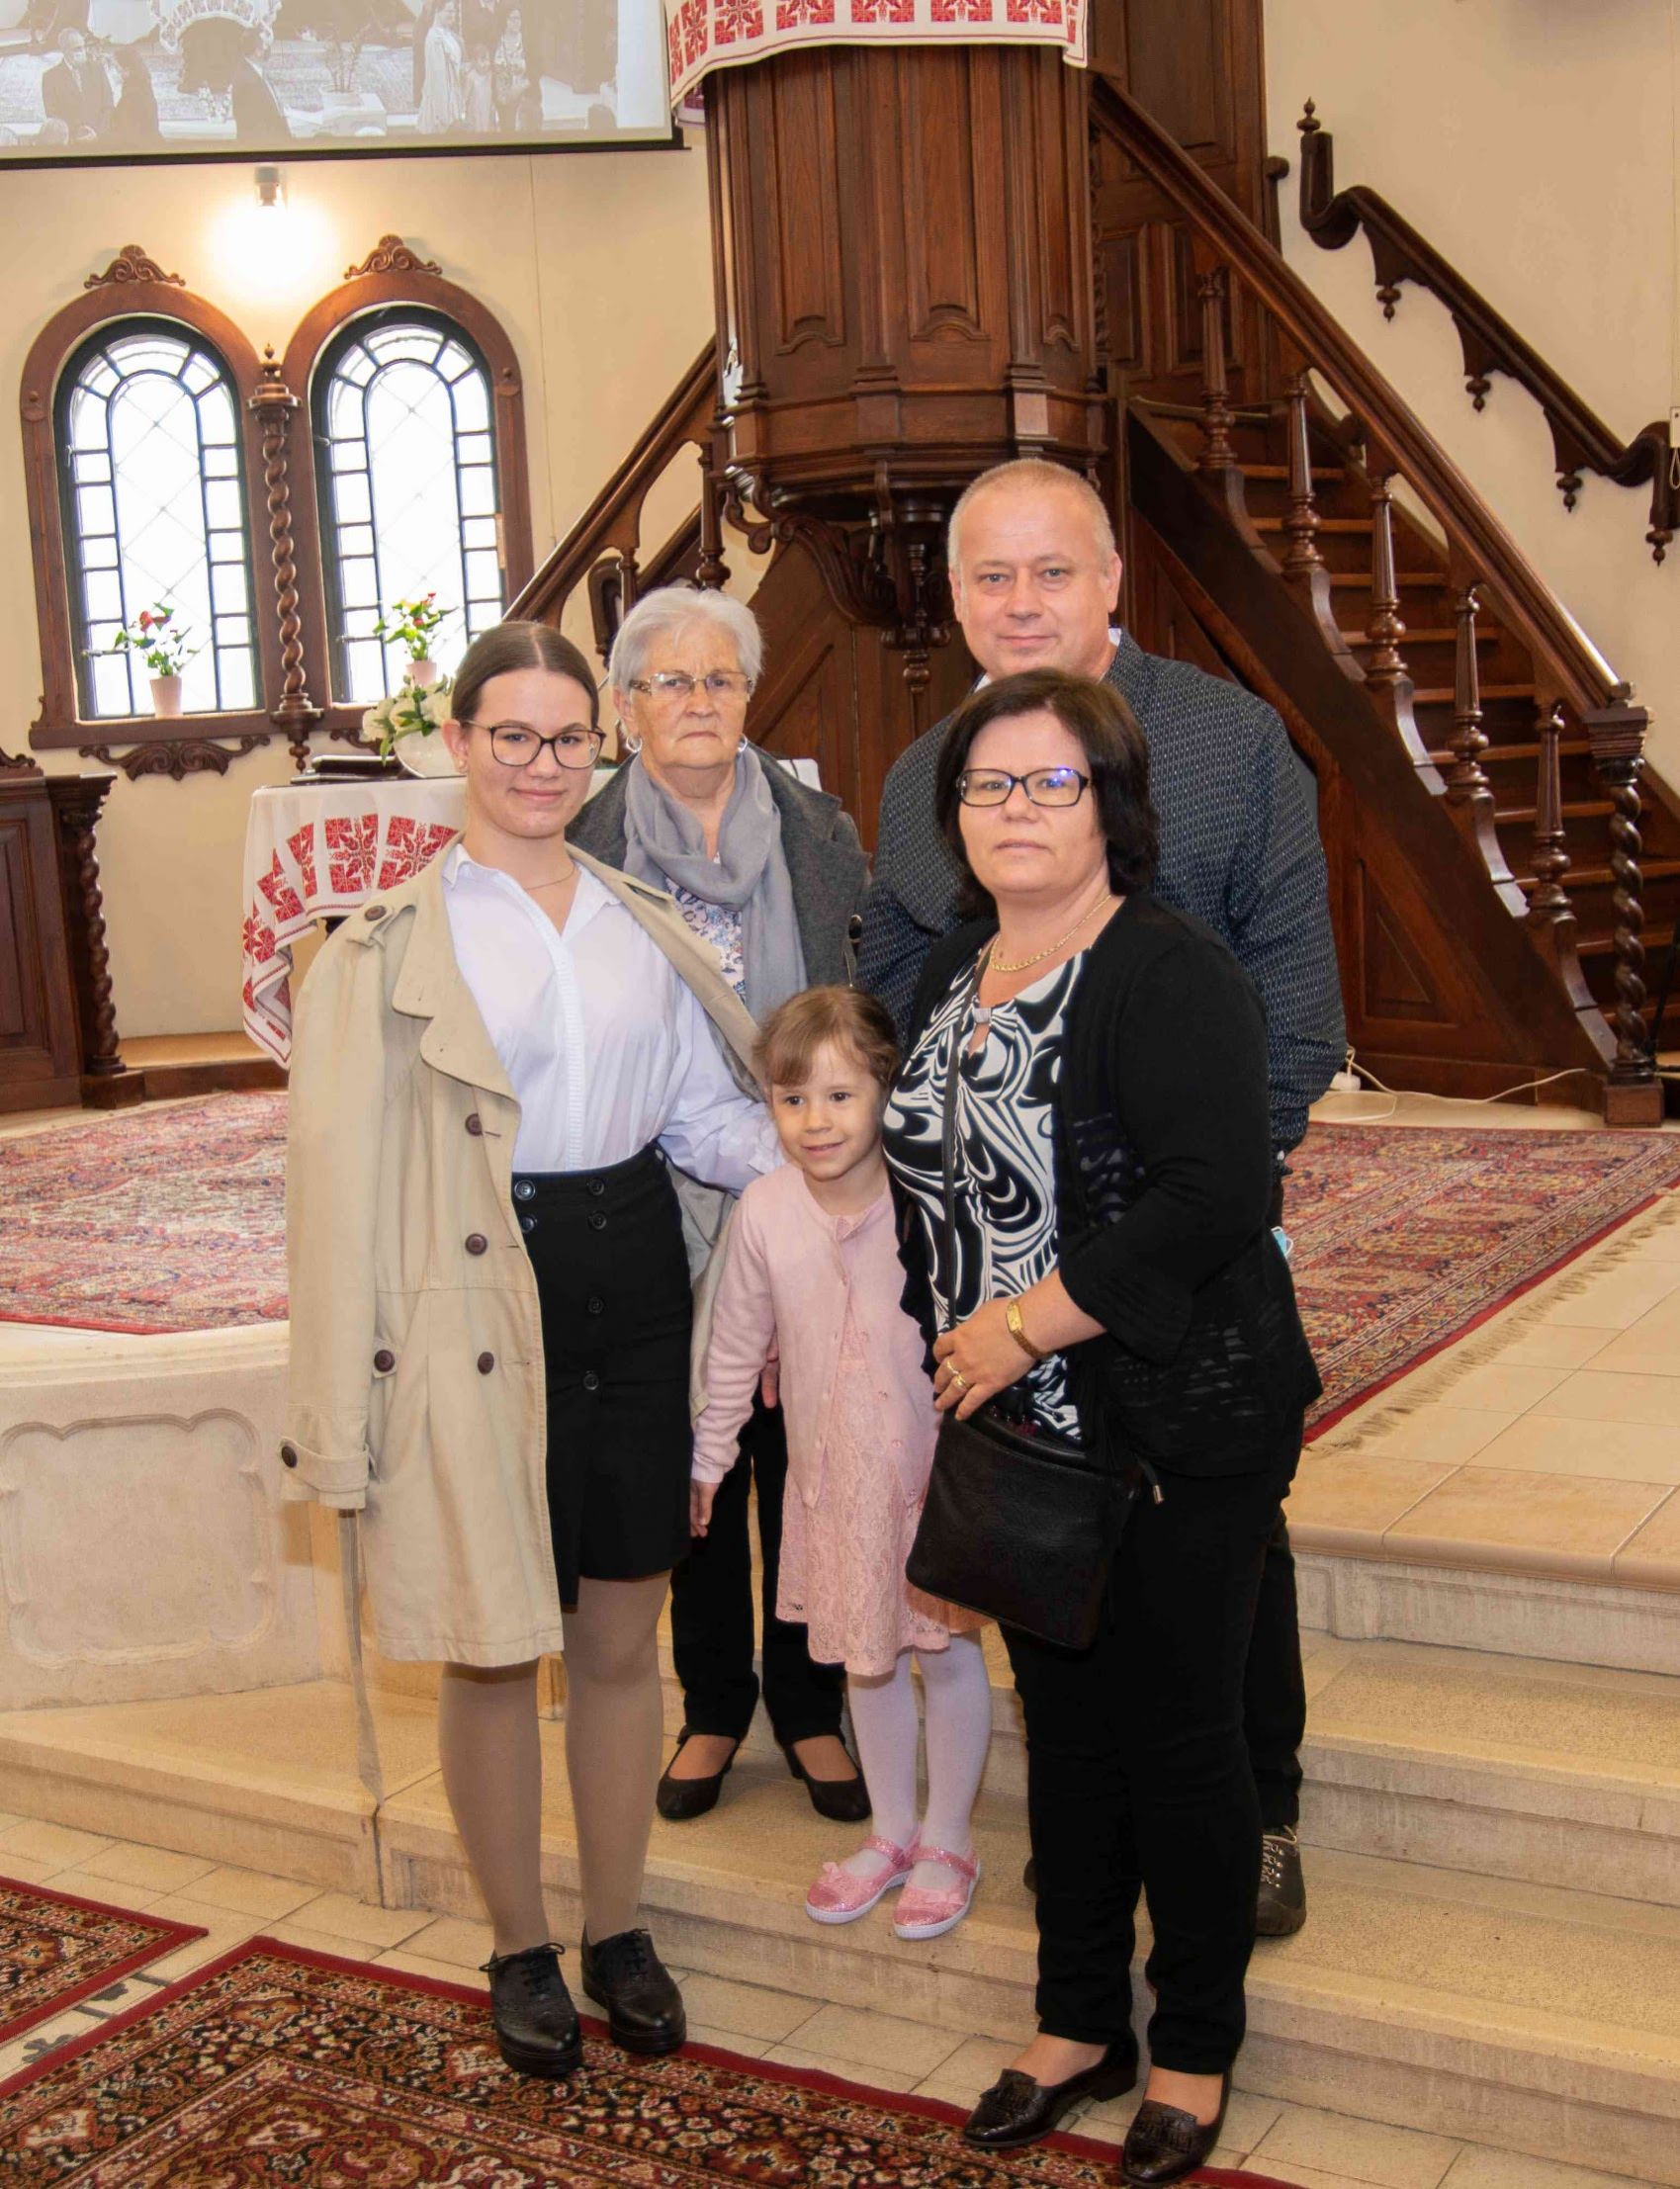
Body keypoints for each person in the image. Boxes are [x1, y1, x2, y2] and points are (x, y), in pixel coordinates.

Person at [284, 621, 780, 2082]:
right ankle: (517, 1941)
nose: (541, 764)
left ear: (600, 745)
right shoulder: (386, 945)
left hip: (632, 1277)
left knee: (621, 1636)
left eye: (568, 737)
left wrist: (837, 1177)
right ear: (458, 742)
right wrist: (338, 1413)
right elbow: (336, 1192)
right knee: (496, 1641)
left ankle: (617, 1925)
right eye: (511, 735)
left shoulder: (641, 921)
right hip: (472, 1289)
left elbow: (703, 1117)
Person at [861, 456, 1343, 1936]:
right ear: (953, 600)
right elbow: (900, 988)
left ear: (1111, 579)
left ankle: (1254, 1805)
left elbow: (1296, 996)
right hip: (1004, 1268)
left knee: (1217, 1550)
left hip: (1180, 1253)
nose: (1021, 602)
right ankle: (1098, 1825)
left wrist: (1198, 1204)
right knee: (1052, 1546)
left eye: (1051, 570)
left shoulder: (1227, 738)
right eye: (989, 577)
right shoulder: (926, 771)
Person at [883, 667, 1320, 2187]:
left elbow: (1216, 1196)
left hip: (1172, 1422)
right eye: (986, 783)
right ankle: (1076, 2020)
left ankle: (1190, 2041)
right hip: (1024, 1436)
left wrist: (1018, 1325)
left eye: (1048, 781)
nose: (1013, 807)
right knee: (1063, 1738)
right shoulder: (956, 968)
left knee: (1180, 1741)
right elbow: (930, 1182)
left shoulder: (1164, 967)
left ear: (1110, 804)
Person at [570, 583, 873, 1827]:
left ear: (750, 696)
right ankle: (711, 1703)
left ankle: (809, 1705)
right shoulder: (580, 843)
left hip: (811, 1184)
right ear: (624, 705)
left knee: (807, 1450)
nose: (696, 702)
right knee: (694, 1454)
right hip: (654, 1193)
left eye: (719, 680)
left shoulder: (819, 830)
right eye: (668, 682)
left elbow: (864, 1001)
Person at [692, 986, 993, 1940]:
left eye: (839, 1096)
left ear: (885, 1093)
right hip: (831, 1480)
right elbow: (734, 1344)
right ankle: (892, 1832)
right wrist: (709, 1455)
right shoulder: (764, 1210)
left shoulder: (925, 1195)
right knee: (867, 1662)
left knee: (944, 1654)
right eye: (792, 1100)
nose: (815, 1122)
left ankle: (948, 1840)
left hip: (930, 1476)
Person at [39, 27, 112, 138]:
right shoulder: (50, 78)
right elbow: (53, 115)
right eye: (77, 48)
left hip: (99, 139)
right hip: (71, 141)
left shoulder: (97, 69)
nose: (83, 52)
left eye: (83, 47)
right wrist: (76, 133)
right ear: (64, 50)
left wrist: (96, 133)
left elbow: (108, 105)